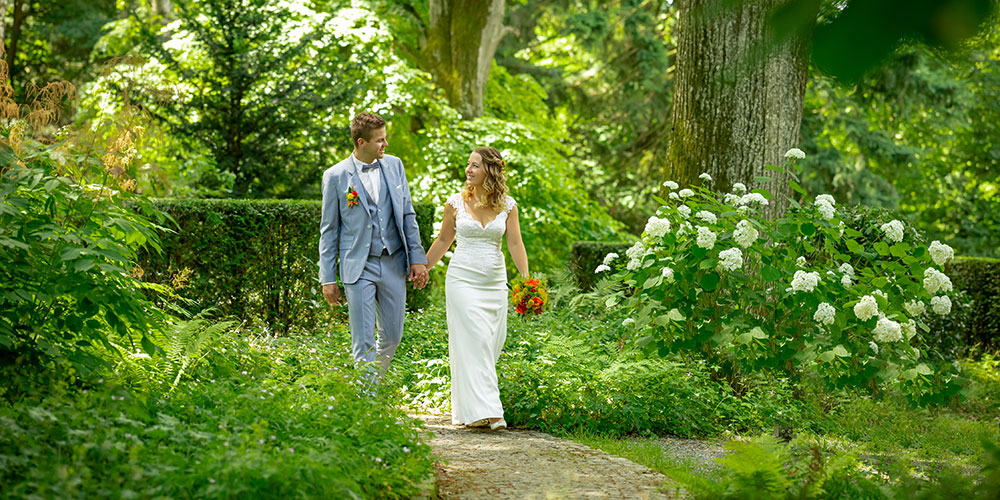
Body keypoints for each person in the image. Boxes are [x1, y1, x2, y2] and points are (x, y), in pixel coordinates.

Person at [319, 112, 429, 383]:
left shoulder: (395, 166)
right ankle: (366, 401)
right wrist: (327, 278)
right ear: (361, 142)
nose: (385, 145)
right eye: (380, 140)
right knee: (364, 339)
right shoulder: (335, 177)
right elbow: (329, 230)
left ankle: (371, 383)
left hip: (393, 261)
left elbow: (407, 215)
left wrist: (418, 258)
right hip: (358, 266)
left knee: (392, 335)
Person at [424, 146, 529, 431]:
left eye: (474, 165)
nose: (468, 170)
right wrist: (423, 267)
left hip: (494, 283)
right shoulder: (455, 203)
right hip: (462, 281)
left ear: (489, 171)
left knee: (490, 344)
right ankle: (494, 412)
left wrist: (526, 279)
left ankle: (472, 411)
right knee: (476, 340)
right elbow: (444, 240)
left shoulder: (508, 206)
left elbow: (515, 243)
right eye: (468, 164)